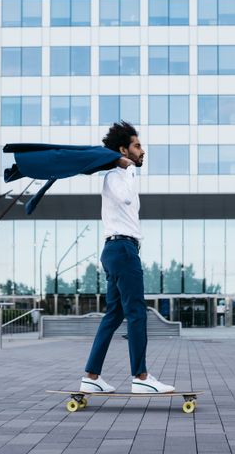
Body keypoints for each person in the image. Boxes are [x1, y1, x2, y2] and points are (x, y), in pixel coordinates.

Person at [80, 122, 175, 394]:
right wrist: (126, 166)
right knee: (136, 313)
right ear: (123, 150)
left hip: (120, 249)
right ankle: (141, 377)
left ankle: (91, 375)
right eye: (136, 146)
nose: (142, 151)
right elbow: (125, 200)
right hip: (121, 250)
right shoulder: (116, 177)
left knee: (114, 314)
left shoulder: (124, 176)